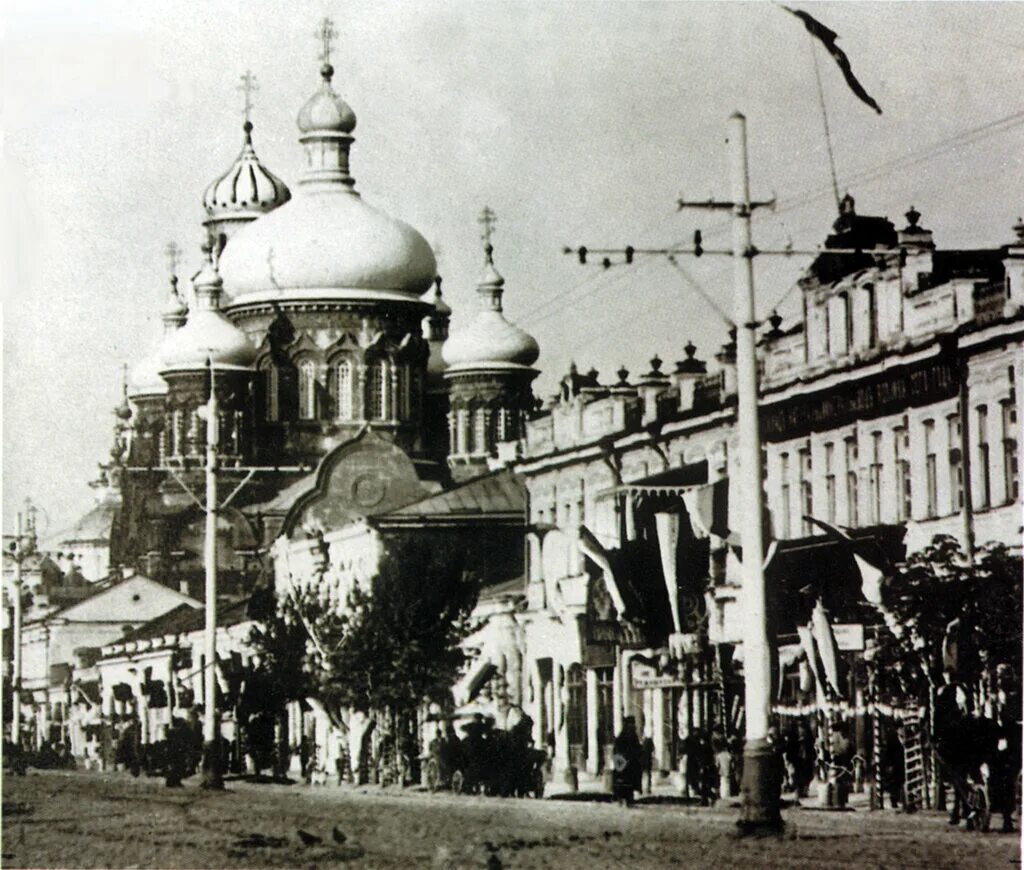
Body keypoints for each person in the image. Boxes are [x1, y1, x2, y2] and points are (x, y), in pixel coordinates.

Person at [611, 716, 643, 806]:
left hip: (628, 764)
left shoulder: (627, 735)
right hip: (627, 764)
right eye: (631, 724)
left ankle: (627, 799)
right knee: (626, 782)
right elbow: (618, 750)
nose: (632, 726)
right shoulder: (626, 736)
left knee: (628, 782)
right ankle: (625, 799)